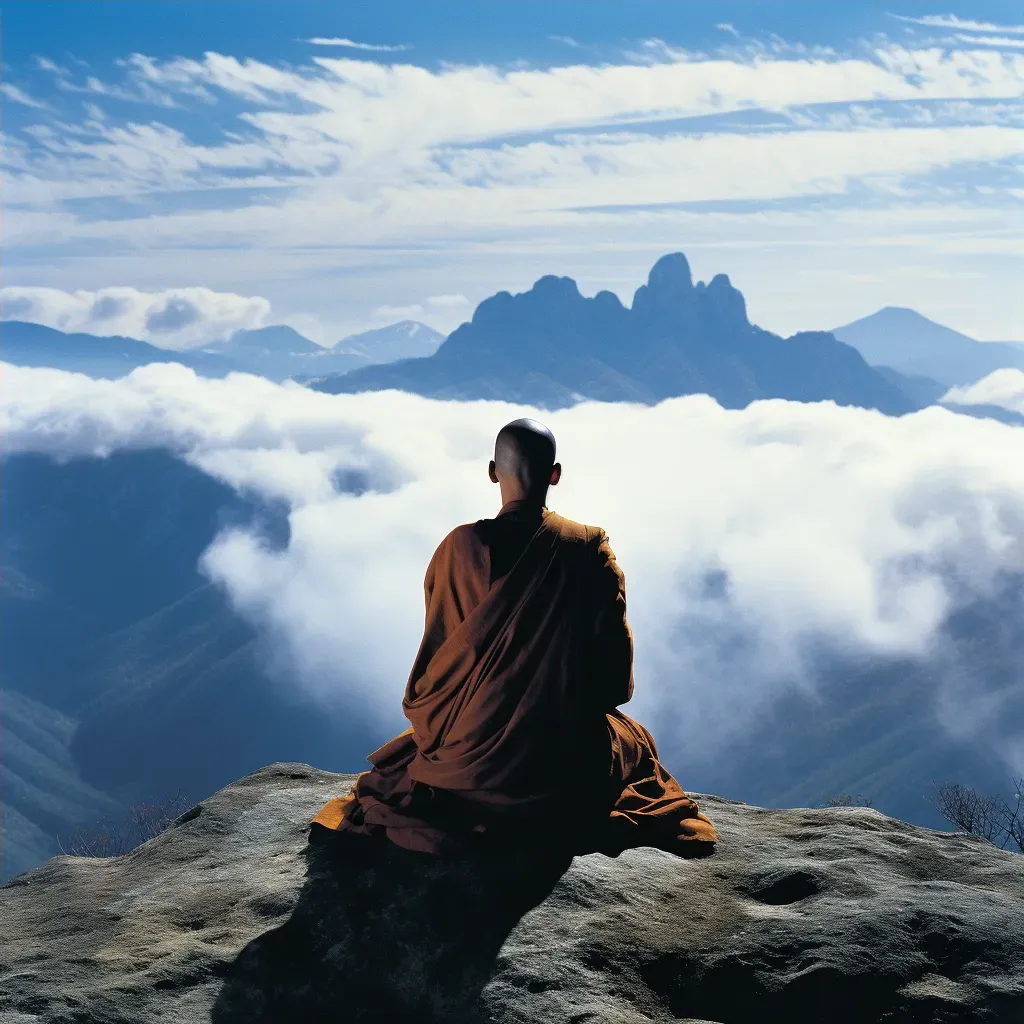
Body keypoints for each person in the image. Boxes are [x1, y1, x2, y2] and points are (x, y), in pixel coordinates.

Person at [310, 418, 716, 858]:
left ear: (491, 471)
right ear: (554, 475)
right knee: (635, 743)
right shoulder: (587, 550)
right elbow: (616, 687)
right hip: (557, 770)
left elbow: (432, 678)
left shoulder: (457, 550)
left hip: (461, 769)